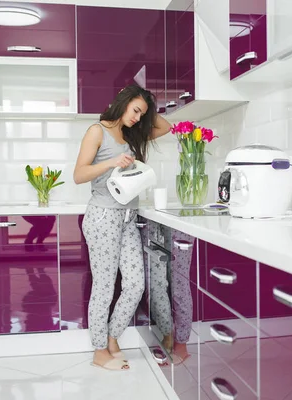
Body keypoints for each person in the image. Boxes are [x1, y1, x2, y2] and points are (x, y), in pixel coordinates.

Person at [73, 84, 171, 371]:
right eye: (135, 110)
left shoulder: (131, 133)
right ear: (123, 102)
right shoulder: (97, 131)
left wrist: (146, 104)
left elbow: (165, 127)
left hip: (127, 218)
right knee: (103, 287)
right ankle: (99, 350)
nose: (138, 118)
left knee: (135, 284)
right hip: (103, 216)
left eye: (142, 114)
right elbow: (79, 175)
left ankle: (113, 337)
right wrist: (111, 162)